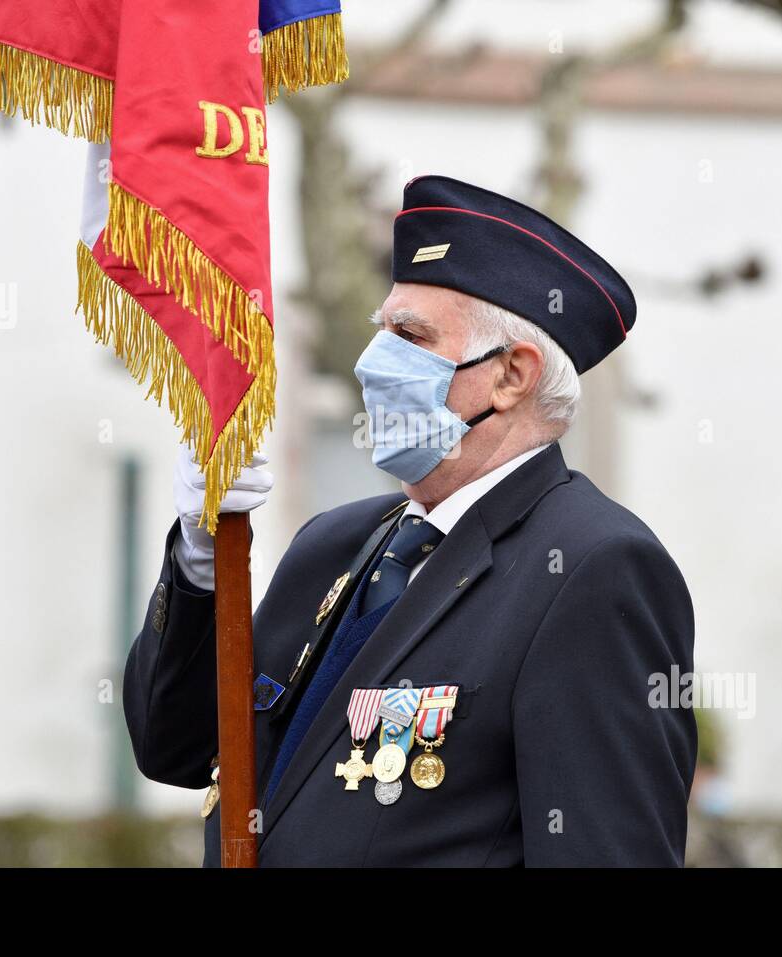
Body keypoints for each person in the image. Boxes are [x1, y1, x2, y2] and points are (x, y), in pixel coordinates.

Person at [123, 174, 697, 866]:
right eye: (381, 328)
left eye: (409, 335)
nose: (373, 362)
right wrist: (199, 557)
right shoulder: (333, 546)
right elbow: (175, 745)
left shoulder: (591, 567)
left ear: (512, 374)